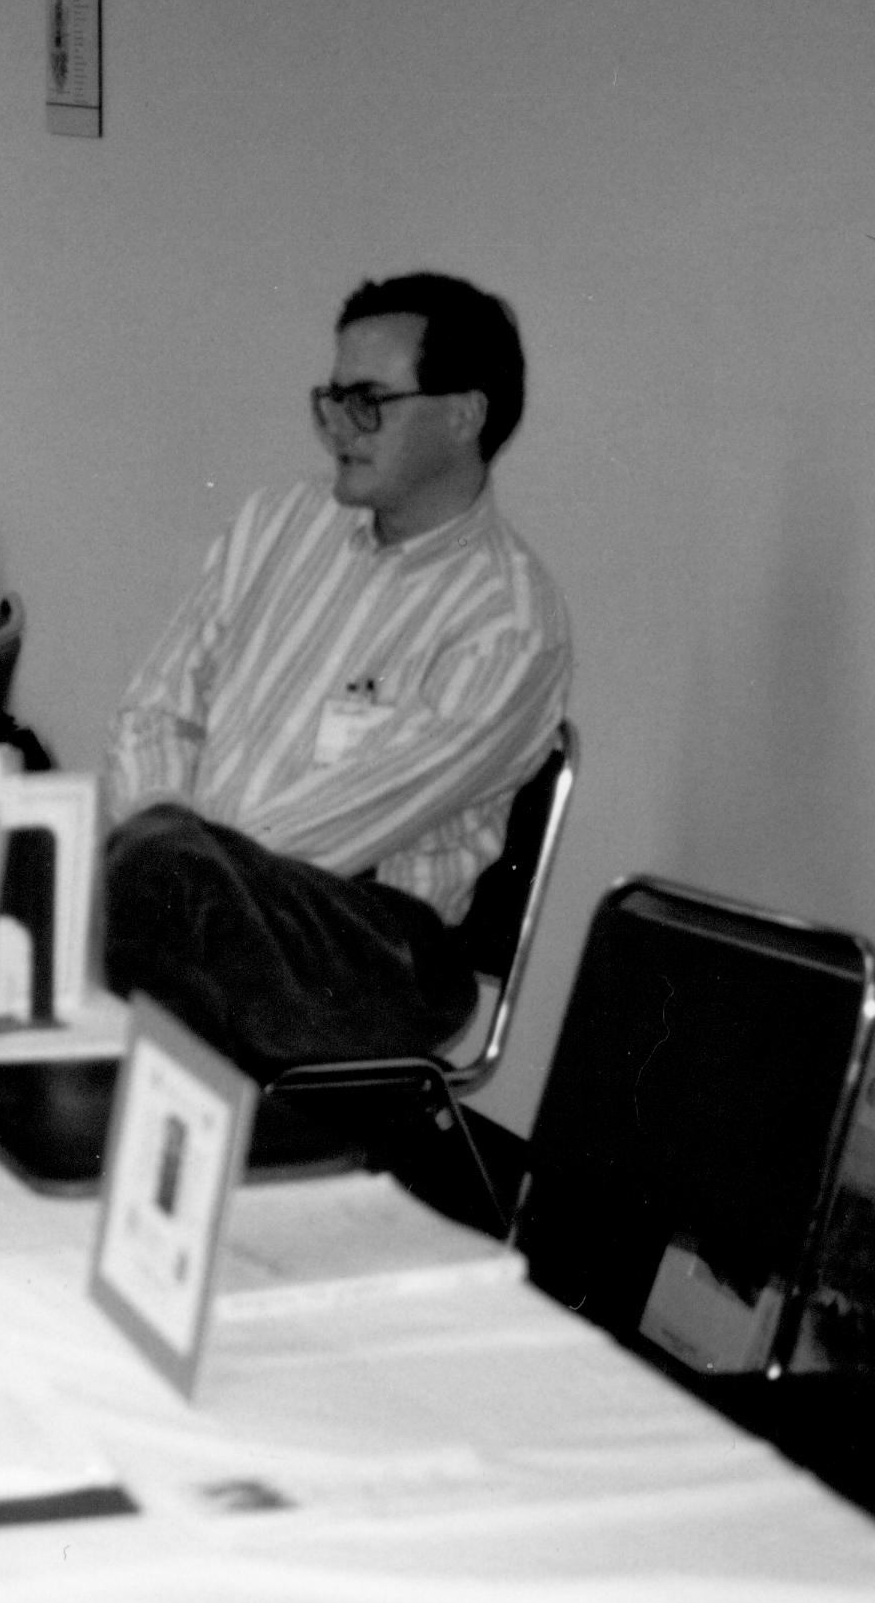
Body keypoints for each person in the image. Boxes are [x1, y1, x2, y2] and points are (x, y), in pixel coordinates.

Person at [101, 272, 571, 1079]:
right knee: (48, 865)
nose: (337, 430)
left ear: (463, 415)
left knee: (108, 907)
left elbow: (333, 829)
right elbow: (156, 707)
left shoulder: (507, 623)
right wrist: (156, 837)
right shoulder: (278, 520)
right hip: (191, 888)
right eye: (331, 398)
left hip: (367, 941)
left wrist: (156, 858)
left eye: (368, 402)